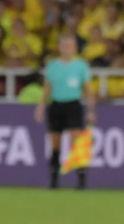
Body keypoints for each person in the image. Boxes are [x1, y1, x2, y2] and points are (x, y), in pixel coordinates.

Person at [35, 34, 97, 189]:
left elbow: (88, 90)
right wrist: (40, 107)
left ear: (75, 48)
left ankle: (81, 181)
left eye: (71, 46)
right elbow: (47, 89)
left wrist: (90, 110)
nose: (68, 49)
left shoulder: (81, 66)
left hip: (73, 105)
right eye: (65, 45)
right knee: (55, 144)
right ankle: (54, 180)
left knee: (75, 143)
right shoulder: (52, 66)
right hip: (56, 105)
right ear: (59, 47)